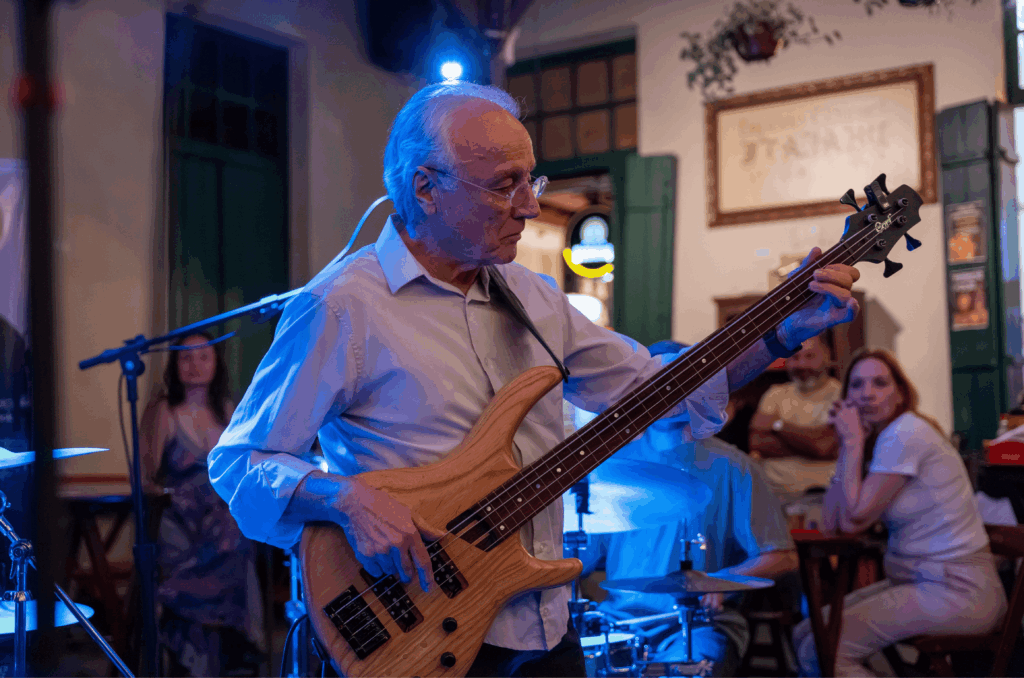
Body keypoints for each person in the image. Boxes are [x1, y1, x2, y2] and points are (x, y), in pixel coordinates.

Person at [207, 81, 860, 678]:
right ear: (425, 186)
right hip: (416, 626)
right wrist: (344, 500)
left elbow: (658, 393)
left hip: (542, 626)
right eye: (503, 184)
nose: (528, 205)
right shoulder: (344, 305)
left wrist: (779, 333)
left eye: (531, 179)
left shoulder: (533, 297)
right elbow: (238, 462)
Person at [577, 341, 798, 677]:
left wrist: (723, 580)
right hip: (619, 620)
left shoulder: (734, 467)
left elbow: (783, 556)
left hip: (699, 624)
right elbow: (581, 557)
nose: (666, 395)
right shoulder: (615, 464)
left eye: (678, 384)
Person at [791, 349, 1008, 677]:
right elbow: (835, 524)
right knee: (807, 632)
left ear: (901, 393)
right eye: (857, 385)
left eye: (880, 383)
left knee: (822, 649)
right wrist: (847, 448)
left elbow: (853, 521)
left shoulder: (905, 434)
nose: (867, 393)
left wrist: (851, 444)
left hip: (960, 591)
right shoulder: (881, 439)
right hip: (920, 581)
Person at [140, 333, 265, 677]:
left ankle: (233, 655)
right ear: (174, 364)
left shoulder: (227, 410)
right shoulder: (163, 410)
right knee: (224, 539)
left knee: (236, 538)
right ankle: (194, 657)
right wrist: (178, 498)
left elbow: (244, 468)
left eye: (203, 357)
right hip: (179, 518)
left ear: (216, 364)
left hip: (222, 517)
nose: (194, 366)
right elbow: (146, 478)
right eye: (186, 358)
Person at [750, 334, 841, 498]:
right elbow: (757, 442)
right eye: (795, 357)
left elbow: (824, 446)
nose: (802, 364)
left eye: (810, 356)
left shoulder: (840, 395)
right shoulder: (774, 394)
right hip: (772, 495)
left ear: (828, 356)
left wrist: (778, 425)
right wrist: (811, 441)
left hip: (823, 496)